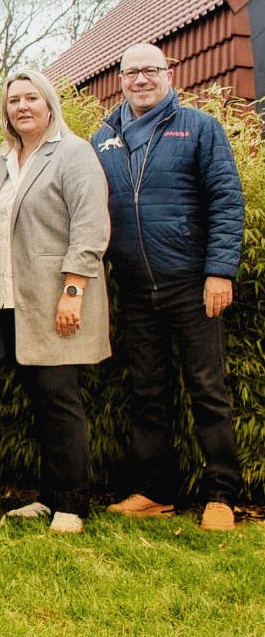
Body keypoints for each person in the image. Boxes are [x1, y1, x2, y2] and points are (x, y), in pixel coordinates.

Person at [92, 43, 245, 532]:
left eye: (150, 70)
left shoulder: (199, 128)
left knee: (207, 390)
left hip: (191, 284)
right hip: (135, 288)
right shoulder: (103, 138)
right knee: (147, 392)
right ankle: (155, 491)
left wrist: (219, 271)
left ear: (168, 73)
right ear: (120, 79)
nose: (141, 79)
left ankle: (222, 495)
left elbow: (226, 200)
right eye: (131, 71)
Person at [0, 69, 110, 535]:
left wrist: (73, 291)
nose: (22, 107)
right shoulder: (4, 158)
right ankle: (50, 496)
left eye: (31, 97)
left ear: (49, 103)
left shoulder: (74, 154)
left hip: (59, 298)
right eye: (14, 100)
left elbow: (91, 227)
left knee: (60, 399)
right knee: (38, 399)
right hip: (15, 299)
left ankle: (73, 504)